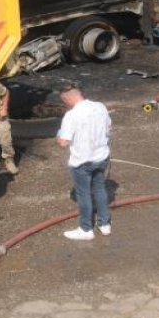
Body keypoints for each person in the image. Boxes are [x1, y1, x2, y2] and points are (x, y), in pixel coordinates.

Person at [56, 83, 112, 240]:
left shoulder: (71, 115)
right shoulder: (100, 107)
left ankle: (86, 229)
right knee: (100, 189)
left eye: (64, 102)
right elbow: (109, 128)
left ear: (67, 99)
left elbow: (63, 142)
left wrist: (58, 134)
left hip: (82, 161)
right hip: (101, 157)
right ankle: (104, 224)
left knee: (84, 194)